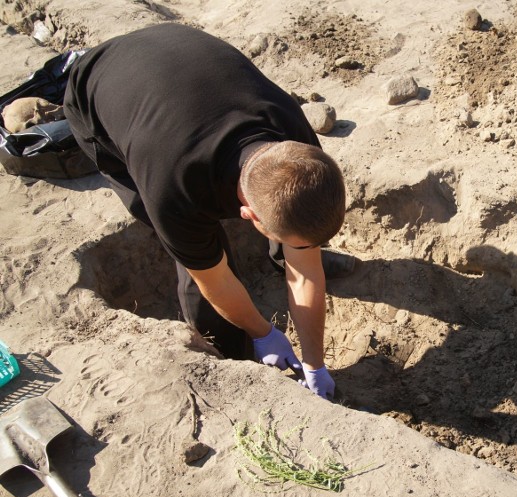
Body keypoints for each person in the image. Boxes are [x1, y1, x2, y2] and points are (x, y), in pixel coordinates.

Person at [63, 23, 351, 400]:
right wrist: (263, 333)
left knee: (296, 238)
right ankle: (228, 349)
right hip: (97, 85)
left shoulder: (297, 142)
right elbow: (214, 282)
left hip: (179, 50)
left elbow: (306, 266)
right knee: (193, 254)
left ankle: (283, 255)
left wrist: (315, 364)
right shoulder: (173, 187)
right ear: (250, 217)